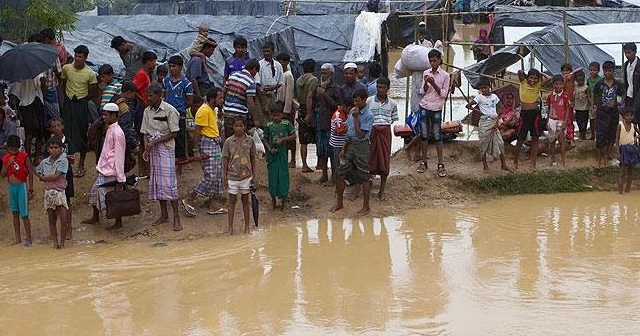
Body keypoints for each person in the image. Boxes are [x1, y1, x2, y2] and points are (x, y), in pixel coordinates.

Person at [140, 84, 182, 231]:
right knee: (158, 183)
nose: (148, 98)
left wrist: (154, 142)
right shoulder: (147, 111)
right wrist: (147, 147)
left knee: (169, 184)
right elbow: (145, 133)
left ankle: (176, 217)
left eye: (150, 96)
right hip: (153, 150)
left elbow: (174, 133)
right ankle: (164, 214)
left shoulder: (170, 110)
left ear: (159, 96)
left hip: (166, 150)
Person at [81, 103, 127, 230]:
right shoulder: (110, 129)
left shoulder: (117, 133)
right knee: (95, 194)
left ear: (114, 115)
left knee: (113, 198)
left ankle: (118, 222)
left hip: (111, 171)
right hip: (104, 169)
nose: (104, 117)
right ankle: (95, 217)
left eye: (106, 115)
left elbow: (119, 156)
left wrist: (120, 177)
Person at [182, 88, 226, 217]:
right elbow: (197, 131)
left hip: (214, 143)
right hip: (208, 144)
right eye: (220, 98)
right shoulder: (204, 110)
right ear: (212, 99)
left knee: (217, 175)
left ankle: (213, 206)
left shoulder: (212, 110)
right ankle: (190, 198)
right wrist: (196, 151)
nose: (222, 100)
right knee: (210, 176)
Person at [330, 89, 374, 216]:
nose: (355, 103)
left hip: (361, 146)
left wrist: (355, 118)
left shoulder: (369, 115)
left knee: (365, 176)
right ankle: (339, 203)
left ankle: (366, 207)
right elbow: (349, 132)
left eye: (357, 101)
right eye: (354, 101)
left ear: (364, 100)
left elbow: (360, 135)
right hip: (350, 145)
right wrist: (344, 147)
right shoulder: (352, 111)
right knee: (340, 172)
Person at [60, 45, 99, 178]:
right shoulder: (66, 68)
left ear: (85, 57)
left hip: (81, 104)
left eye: (80, 57)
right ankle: (65, 162)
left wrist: (82, 99)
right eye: (76, 56)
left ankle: (81, 164)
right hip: (69, 103)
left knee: (82, 132)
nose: (77, 59)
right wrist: (67, 99)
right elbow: (63, 85)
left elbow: (93, 92)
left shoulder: (90, 74)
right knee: (66, 132)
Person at [416, 49, 450, 177]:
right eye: (431, 61)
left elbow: (443, 94)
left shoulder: (445, 76)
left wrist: (433, 83)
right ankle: (424, 162)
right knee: (424, 135)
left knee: (437, 136)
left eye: (435, 60)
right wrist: (426, 82)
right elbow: (422, 91)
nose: (432, 63)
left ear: (440, 60)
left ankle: (440, 164)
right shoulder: (426, 73)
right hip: (425, 106)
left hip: (436, 108)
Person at [465, 79, 512, 172]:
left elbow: (500, 107)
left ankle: (503, 164)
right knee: (483, 144)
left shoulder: (494, 96)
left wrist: (497, 119)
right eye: (482, 88)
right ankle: (485, 165)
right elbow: (468, 106)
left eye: (485, 87)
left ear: (489, 87)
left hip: (494, 121)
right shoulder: (479, 98)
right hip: (484, 123)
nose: (484, 90)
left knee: (500, 143)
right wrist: (479, 111)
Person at [222, 116, 256, 235]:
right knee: (231, 201)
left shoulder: (250, 141)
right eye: (236, 126)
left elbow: (253, 158)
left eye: (241, 126)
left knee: (246, 201)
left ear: (245, 127)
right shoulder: (228, 142)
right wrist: (224, 177)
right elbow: (225, 160)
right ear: (233, 127)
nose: (238, 128)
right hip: (232, 176)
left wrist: (254, 177)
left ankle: (247, 227)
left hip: (246, 176)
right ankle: (230, 228)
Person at [513, 68, 551, 170]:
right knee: (520, 140)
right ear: (527, 77)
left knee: (535, 139)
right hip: (524, 114)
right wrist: (527, 77)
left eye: (535, 78)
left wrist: (540, 74)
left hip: (535, 114)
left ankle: (533, 164)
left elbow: (549, 78)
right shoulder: (523, 82)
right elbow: (519, 71)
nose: (533, 80)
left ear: (538, 79)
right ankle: (515, 163)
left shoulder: (539, 85)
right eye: (531, 78)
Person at [367, 77, 398, 199]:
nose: (380, 89)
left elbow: (392, 120)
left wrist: (382, 126)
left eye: (383, 87)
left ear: (388, 89)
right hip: (372, 132)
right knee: (370, 159)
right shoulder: (369, 101)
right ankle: (367, 189)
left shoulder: (393, 104)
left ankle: (382, 190)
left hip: (385, 133)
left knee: (385, 160)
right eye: (378, 87)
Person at [35, 137, 69, 249]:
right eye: (51, 147)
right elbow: (37, 171)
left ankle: (62, 243)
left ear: (61, 149)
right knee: (51, 218)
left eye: (56, 147)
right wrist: (42, 177)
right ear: (48, 149)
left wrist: (43, 178)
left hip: (60, 192)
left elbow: (56, 176)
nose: (54, 150)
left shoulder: (63, 160)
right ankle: (55, 243)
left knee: (64, 219)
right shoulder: (45, 162)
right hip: (49, 192)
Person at [262, 101, 296, 210]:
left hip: (282, 155)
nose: (276, 118)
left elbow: (294, 136)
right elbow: (264, 138)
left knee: (283, 176)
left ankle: (284, 200)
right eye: (274, 115)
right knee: (272, 177)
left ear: (282, 114)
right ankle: (273, 199)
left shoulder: (286, 124)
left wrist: (283, 139)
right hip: (272, 155)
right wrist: (269, 149)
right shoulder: (268, 126)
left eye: (278, 115)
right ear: (271, 115)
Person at [163, 55, 194, 173]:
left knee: (180, 138)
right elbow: (164, 96)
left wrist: (179, 109)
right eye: (170, 66)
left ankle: (180, 165)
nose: (171, 69)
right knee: (168, 136)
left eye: (174, 66)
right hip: (167, 114)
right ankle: (170, 162)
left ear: (180, 67)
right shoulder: (166, 81)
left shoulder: (186, 83)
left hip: (179, 114)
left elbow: (189, 101)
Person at [1, 135, 34, 247]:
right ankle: (18, 238)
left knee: (24, 214)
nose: (13, 152)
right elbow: (3, 174)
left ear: (19, 148)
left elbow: (30, 172)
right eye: (11, 150)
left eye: (15, 150)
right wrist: (8, 163)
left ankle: (28, 238)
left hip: (21, 187)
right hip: (11, 188)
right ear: (7, 148)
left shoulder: (24, 156)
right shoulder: (6, 158)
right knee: (14, 213)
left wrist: (30, 188)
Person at [9, 71, 45, 166]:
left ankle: (36, 158)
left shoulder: (39, 73)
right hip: (26, 105)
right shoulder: (19, 76)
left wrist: (43, 83)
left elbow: (42, 89)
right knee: (28, 134)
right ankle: (28, 159)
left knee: (40, 133)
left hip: (39, 103)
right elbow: (15, 94)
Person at [47, 118, 75, 240]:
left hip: (67, 175)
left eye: (59, 125)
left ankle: (69, 230)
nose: (57, 128)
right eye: (54, 126)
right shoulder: (49, 142)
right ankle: (58, 231)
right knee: (54, 204)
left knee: (66, 203)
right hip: (53, 177)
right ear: (51, 129)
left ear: (63, 126)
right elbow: (47, 159)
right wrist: (65, 157)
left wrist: (62, 157)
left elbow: (73, 159)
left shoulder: (68, 141)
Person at [594, 61, 625, 167]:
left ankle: (607, 156)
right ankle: (599, 159)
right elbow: (596, 96)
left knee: (612, 135)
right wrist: (598, 106)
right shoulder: (599, 84)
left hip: (613, 113)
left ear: (613, 71)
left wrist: (617, 102)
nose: (608, 73)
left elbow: (623, 95)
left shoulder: (618, 84)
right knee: (600, 135)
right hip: (602, 113)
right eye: (606, 71)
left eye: (610, 71)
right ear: (603, 71)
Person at [314, 63, 342, 185]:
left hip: (331, 125)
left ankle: (333, 177)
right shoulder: (320, 87)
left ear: (331, 74)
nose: (323, 75)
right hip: (321, 123)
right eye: (322, 73)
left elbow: (337, 106)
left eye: (325, 73)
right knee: (322, 151)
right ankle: (324, 175)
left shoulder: (336, 89)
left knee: (332, 153)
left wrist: (324, 94)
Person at [222, 58, 259, 138]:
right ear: (254, 69)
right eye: (256, 72)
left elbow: (224, 92)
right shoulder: (251, 82)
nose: (255, 74)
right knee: (240, 139)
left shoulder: (233, 76)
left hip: (227, 112)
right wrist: (255, 119)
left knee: (229, 139)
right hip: (239, 115)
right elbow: (250, 103)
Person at [295, 59, 319, 172]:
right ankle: (319, 163)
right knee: (317, 136)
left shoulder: (298, 80)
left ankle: (304, 165)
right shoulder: (313, 80)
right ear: (313, 68)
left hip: (301, 108)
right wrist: (309, 113)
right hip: (311, 109)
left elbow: (296, 97)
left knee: (303, 139)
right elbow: (310, 96)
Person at [255, 41, 284, 128]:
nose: (266, 53)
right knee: (263, 124)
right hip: (262, 96)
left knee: (274, 122)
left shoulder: (278, 65)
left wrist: (273, 87)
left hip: (273, 96)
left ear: (273, 52)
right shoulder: (259, 65)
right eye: (264, 51)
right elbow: (257, 85)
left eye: (268, 51)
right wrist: (263, 104)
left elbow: (280, 83)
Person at [276, 52, 296, 165]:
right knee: (282, 133)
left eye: (281, 62)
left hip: (286, 108)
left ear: (286, 62)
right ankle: (284, 157)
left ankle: (293, 159)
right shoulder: (280, 74)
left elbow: (289, 94)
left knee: (289, 132)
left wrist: (286, 111)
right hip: (280, 106)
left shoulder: (288, 75)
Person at [547, 75, 571, 167]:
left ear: (563, 84)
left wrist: (565, 121)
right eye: (556, 84)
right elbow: (549, 107)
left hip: (561, 121)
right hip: (552, 120)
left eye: (560, 84)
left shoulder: (565, 96)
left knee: (561, 141)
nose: (558, 86)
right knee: (552, 141)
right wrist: (547, 120)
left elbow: (568, 109)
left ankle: (563, 160)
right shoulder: (550, 96)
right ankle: (552, 159)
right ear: (553, 84)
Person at [616, 109, 640, 194]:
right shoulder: (620, 125)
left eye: (631, 115)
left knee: (630, 170)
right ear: (624, 116)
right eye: (627, 115)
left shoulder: (633, 126)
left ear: (633, 117)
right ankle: (620, 192)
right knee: (623, 171)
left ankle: (627, 190)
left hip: (632, 149)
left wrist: (636, 138)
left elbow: (639, 133)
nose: (629, 117)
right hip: (624, 149)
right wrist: (617, 151)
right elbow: (617, 138)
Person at [561, 63, 583, 144]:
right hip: (563, 103)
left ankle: (571, 138)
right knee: (563, 121)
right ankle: (565, 137)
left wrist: (572, 73)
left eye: (567, 71)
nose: (565, 72)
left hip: (570, 103)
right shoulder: (562, 79)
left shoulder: (572, 78)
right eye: (564, 71)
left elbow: (581, 68)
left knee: (569, 121)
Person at [623, 43, 640, 120]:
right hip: (629, 96)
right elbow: (626, 82)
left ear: (635, 52)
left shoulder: (639, 65)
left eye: (629, 52)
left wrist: (636, 103)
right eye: (625, 53)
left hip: (638, 97)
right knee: (630, 120)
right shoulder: (626, 65)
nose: (627, 55)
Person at [587, 62, 602, 140]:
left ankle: (598, 135)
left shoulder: (600, 80)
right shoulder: (588, 80)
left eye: (595, 70)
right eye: (591, 70)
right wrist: (590, 101)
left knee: (598, 120)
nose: (592, 72)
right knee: (592, 119)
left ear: (598, 71)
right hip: (591, 102)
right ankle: (593, 135)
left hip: (598, 103)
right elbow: (588, 91)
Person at [573, 71, 590, 141]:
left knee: (584, 123)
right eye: (579, 80)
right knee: (579, 122)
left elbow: (589, 97)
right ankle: (581, 135)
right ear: (576, 80)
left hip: (585, 108)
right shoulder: (575, 87)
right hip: (577, 108)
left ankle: (582, 136)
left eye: (582, 80)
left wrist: (592, 106)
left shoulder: (586, 87)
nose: (581, 82)